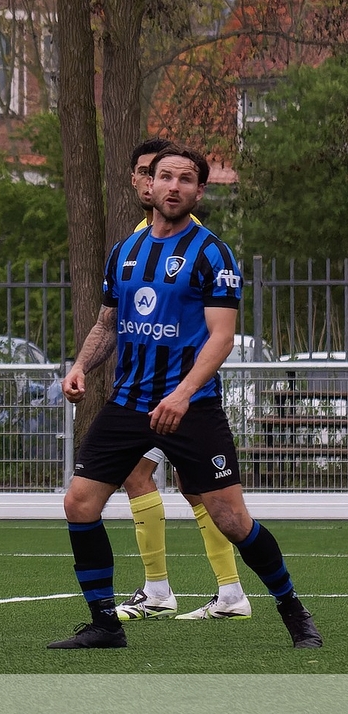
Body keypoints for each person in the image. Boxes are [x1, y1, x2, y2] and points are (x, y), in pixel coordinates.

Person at [48, 144, 322, 650]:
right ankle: (105, 624)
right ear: (148, 184)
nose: (174, 186)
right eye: (165, 177)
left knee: (231, 519)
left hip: (191, 407)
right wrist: (81, 366)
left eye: (186, 179)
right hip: (128, 403)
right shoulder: (124, 251)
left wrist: (182, 393)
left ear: (199, 191)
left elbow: (222, 337)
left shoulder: (212, 253)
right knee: (79, 503)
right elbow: (107, 323)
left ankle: (292, 610)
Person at [115, 139, 250, 622]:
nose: (148, 181)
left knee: (195, 490)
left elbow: (210, 329)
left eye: (158, 173)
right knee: (156, 477)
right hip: (143, 393)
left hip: (178, 393)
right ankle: (214, 592)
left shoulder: (194, 243)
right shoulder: (134, 241)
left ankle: (176, 591)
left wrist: (184, 388)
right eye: (144, 172)